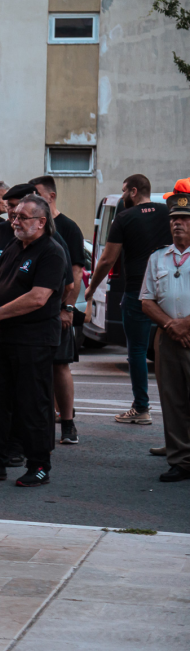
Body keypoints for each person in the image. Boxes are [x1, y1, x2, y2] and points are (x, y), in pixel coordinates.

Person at [0, 194, 67, 487]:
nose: (15, 221)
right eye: (15, 216)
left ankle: (38, 465)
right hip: (3, 337)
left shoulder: (51, 251)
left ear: (41, 222)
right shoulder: (14, 245)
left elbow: (38, 297)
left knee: (33, 404)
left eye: (23, 217)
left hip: (34, 340)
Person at [86, 174, 171, 425]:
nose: (122, 196)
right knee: (172, 351)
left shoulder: (123, 217)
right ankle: (177, 413)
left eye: (124, 191)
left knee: (136, 351)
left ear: (133, 191)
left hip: (137, 290)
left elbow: (107, 260)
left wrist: (91, 288)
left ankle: (141, 408)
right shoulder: (168, 212)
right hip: (168, 290)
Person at [30, 176, 86, 444]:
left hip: (58, 310)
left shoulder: (68, 228)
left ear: (51, 197)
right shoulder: (31, 228)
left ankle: (67, 423)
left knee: (60, 366)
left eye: (38, 194)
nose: (34, 199)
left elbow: (75, 272)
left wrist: (67, 308)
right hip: (35, 314)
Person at [140, 193, 190, 482]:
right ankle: (181, 460)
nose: (178, 224)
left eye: (184, 219)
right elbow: (146, 300)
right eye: (173, 220)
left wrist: (186, 325)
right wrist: (172, 325)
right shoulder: (158, 257)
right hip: (167, 337)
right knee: (172, 401)